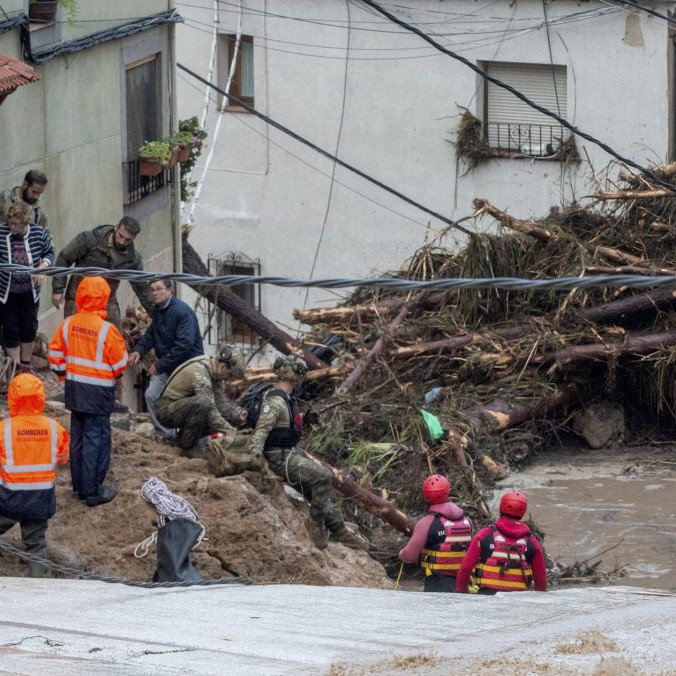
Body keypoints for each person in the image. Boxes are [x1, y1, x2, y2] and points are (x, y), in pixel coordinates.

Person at [247, 354, 368, 551]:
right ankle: (314, 525)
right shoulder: (275, 401)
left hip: (288, 452)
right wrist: (256, 459)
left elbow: (283, 423)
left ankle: (337, 528)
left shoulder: (285, 398)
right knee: (323, 477)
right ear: (296, 375)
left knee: (317, 490)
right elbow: (262, 430)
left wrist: (305, 419)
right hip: (278, 457)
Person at [47, 276, 128, 507]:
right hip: (99, 392)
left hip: (74, 389)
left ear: (81, 295)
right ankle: (92, 491)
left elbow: (54, 355)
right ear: (104, 298)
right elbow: (120, 364)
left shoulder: (68, 323)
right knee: (97, 439)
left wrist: (65, 374)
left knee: (79, 438)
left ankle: (78, 487)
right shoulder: (107, 330)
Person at [0, 373, 69, 577]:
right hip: (40, 499)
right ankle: (37, 584)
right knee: (36, 544)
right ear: (40, 397)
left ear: (13, 398)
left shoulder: (4, 429)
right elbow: (64, 457)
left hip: (8, 499)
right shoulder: (53, 428)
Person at [128, 280, 204, 439]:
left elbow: (185, 344)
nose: (155, 293)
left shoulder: (182, 312)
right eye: (152, 290)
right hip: (168, 366)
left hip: (187, 367)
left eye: (159, 289)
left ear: (170, 290)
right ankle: (166, 435)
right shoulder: (158, 310)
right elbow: (151, 334)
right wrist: (139, 351)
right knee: (151, 395)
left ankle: (197, 440)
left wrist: (159, 364)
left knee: (192, 403)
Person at [51, 217, 154, 329]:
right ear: (116, 227)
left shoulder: (133, 259)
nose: (122, 242)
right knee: (76, 336)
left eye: (128, 240)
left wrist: (157, 314)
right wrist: (58, 289)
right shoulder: (89, 239)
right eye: (120, 236)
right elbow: (64, 258)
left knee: (115, 338)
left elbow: (141, 288)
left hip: (107, 301)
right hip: (79, 298)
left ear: (134, 238)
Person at [154, 344, 248, 455]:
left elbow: (220, 402)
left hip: (181, 407)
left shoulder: (214, 372)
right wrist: (231, 431)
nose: (228, 379)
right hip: (166, 410)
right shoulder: (201, 372)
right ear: (223, 366)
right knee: (204, 404)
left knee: (228, 415)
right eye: (229, 375)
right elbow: (210, 410)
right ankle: (187, 447)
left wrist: (237, 414)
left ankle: (178, 442)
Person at [456, 490, 547, 593]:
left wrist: (461, 593)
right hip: (518, 602)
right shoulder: (532, 541)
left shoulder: (485, 535)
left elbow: (465, 568)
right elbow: (541, 579)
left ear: (501, 508)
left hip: (486, 599)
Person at [0, 200, 54, 372]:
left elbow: (49, 252)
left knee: (29, 327)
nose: (12, 226)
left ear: (25, 223)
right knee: (11, 329)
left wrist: (43, 267)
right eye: (10, 223)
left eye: (15, 224)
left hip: (30, 292)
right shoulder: (1, 233)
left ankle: (25, 365)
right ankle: (15, 368)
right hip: (7, 292)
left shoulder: (38, 233)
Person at [398, 475, 473, 592]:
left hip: (437, 584)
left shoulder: (426, 522)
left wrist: (401, 554)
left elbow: (409, 556)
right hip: (462, 584)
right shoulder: (467, 520)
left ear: (425, 496)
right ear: (448, 491)